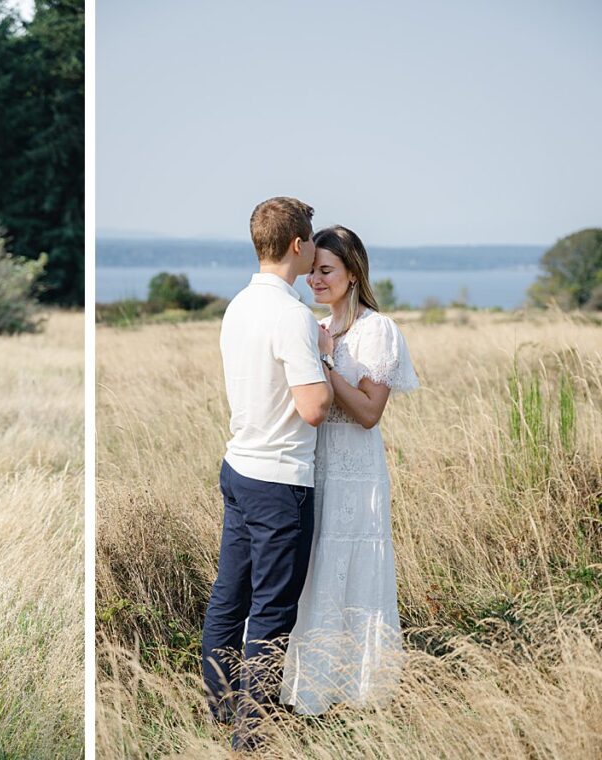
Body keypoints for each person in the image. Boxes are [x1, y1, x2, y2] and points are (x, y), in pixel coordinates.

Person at [201, 197, 334, 747]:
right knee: (273, 609)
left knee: (229, 597)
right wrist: (324, 358)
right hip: (279, 479)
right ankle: (252, 738)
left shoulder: (238, 306)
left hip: (239, 467)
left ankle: (219, 712)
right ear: (298, 245)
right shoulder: (292, 315)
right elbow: (314, 408)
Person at [280, 224, 419, 715]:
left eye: (326, 271)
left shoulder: (375, 330)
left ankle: (358, 692)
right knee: (318, 570)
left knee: (354, 566)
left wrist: (326, 363)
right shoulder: (321, 327)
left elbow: (368, 412)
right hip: (318, 466)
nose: (315, 280)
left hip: (356, 470)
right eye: (311, 270)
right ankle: (312, 688)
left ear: (353, 272)